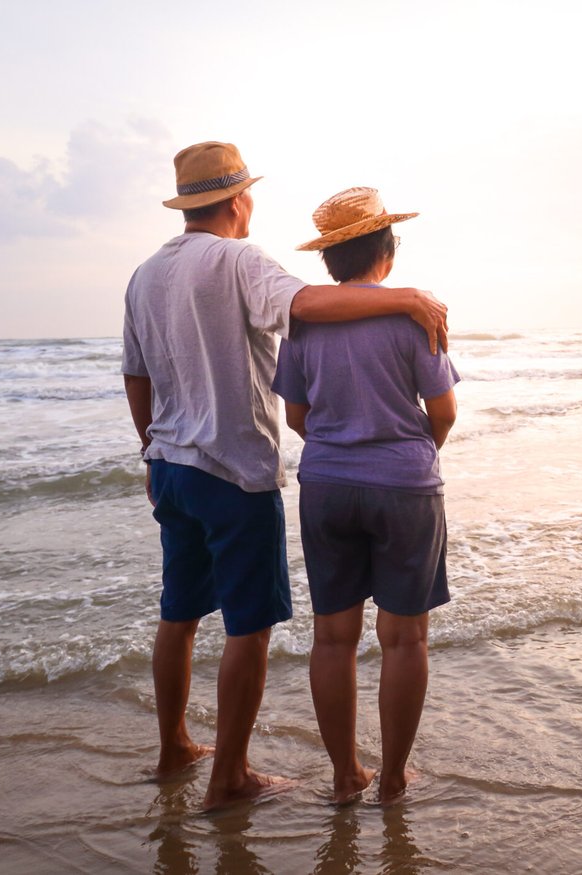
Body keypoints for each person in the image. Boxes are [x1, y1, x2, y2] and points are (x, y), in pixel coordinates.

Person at [121, 142, 448, 811]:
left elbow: (137, 374)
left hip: (172, 464)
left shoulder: (144, 274)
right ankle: (229, 776)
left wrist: (149, 449)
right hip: (232, 469)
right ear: (238, 199)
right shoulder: (237, 258)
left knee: (177, 612)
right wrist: (406, 297)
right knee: (248, 625)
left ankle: (175, 746)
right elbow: (310, 306)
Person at [272, 187, 458, 807]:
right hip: (404, 483)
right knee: (405, 639)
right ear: (387, 250)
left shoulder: (303, 321)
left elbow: (296, 413)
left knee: (333, 638)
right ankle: (395, 777)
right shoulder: (415, 315)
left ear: (330, 261)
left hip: (326, 484)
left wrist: (338, 441)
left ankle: (345, 775)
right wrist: (411, 450)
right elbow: (444, 411)